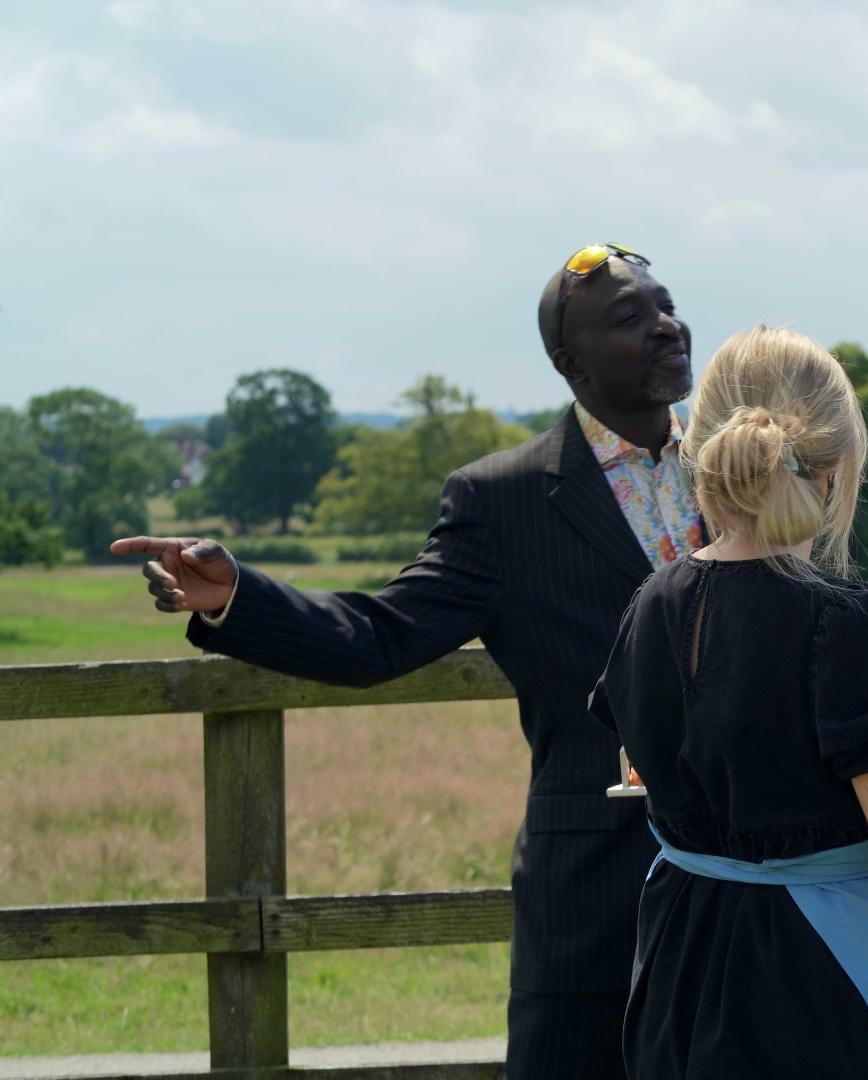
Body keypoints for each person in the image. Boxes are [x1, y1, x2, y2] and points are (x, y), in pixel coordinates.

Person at [111, 243, 704, 1078]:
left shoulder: (741, 469)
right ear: (568, 363)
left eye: (666, 306)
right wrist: (234, 598)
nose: (665, 327)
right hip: (596, 890)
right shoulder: (505, 501)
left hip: (762, 875)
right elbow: (381, 635)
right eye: (629, 317)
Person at [588, 325, 868, 1079]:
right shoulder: (847, 620)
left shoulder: (651, 602)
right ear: (836, 468)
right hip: (825, 983)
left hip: (681, 960)